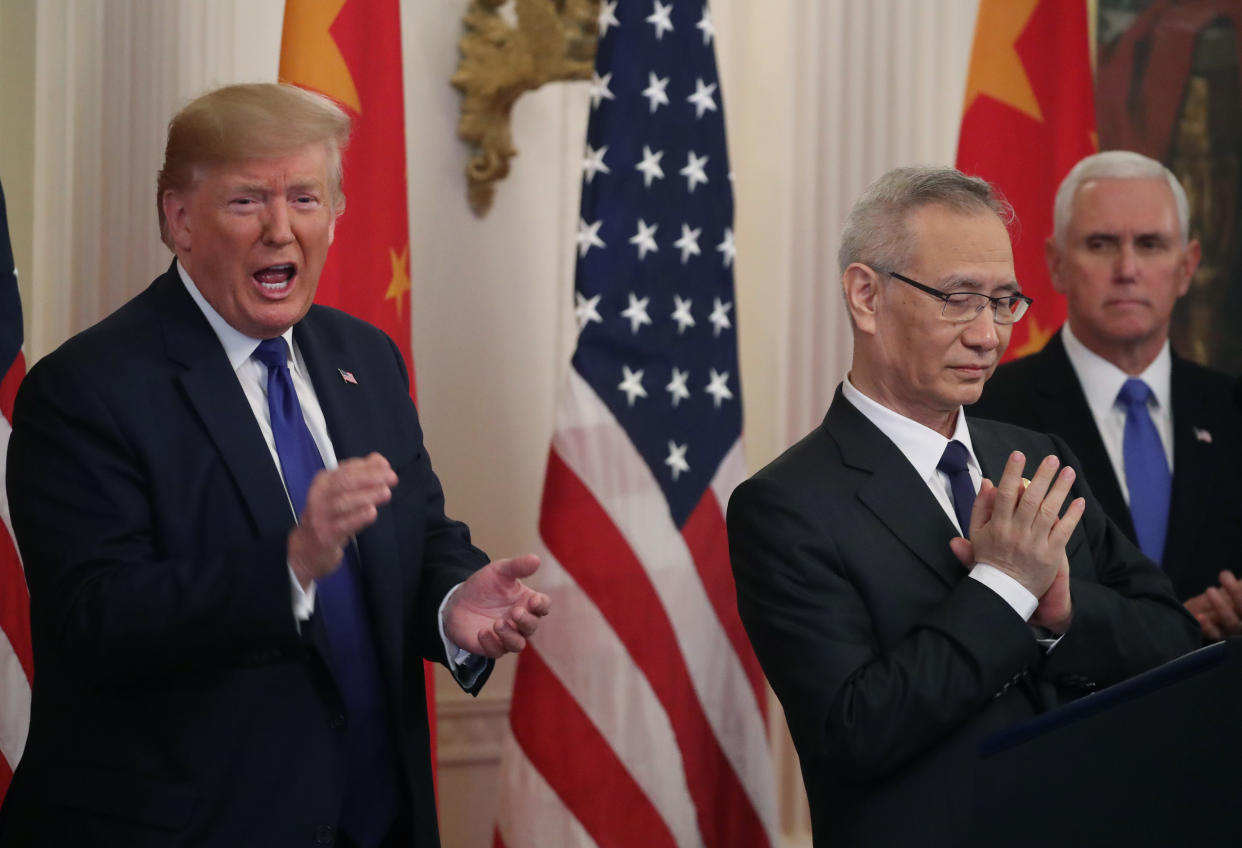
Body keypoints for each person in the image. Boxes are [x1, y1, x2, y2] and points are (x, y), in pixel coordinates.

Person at [0, 83, 549, 848]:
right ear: (179, 219)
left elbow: (416, 534)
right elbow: (97, 617)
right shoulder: (86, 391)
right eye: (248, 201)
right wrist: (288, 565)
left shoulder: (366, 358)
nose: (281, 231)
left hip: (375, 823)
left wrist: (451, 601)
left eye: (305, 198)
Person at [727, 166, 1199, 847]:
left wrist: (1063, 612)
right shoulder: (786, 507)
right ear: (866, 295)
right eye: (960, 298)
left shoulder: (1039, 457)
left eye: (1004, 301)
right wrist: (1005, 586)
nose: (989, 336)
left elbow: (1176, 641)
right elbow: (854, 733)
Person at [971, 150, 1242, 641]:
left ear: (1187, 267)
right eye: (1101, 244)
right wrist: (1164, 630)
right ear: (1055, 265)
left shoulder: (1232, 409)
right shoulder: (986, 409)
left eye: (1151, 244)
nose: (1127, 268)